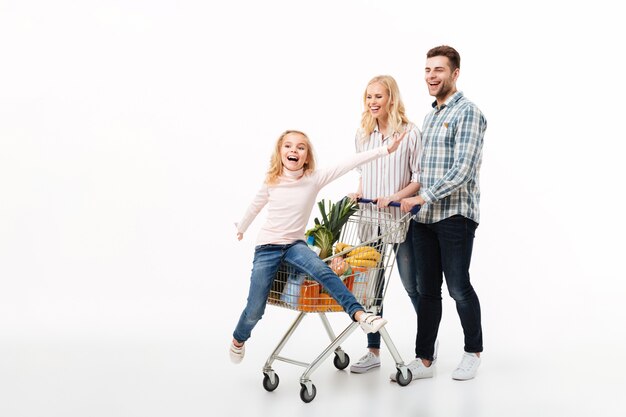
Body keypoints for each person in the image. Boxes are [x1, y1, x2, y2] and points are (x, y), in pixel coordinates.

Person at [230, 129, 406, 364]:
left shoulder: (313, 179)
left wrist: (386, 149)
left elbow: (348, 163)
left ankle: (361, 315)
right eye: (288, 146)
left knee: (323, 271)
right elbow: (255, 206)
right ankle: (238, 339)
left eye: (300, 147)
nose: (294, 150)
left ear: (307, 156)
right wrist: (242, 227)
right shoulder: (272, 181)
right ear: (280, 152)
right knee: (255, 309)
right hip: (268, 247)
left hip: (295, 245)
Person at [397, 45, 487, 381]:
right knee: (427, 290)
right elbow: (423, 168)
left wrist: (423, 197)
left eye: (439, 70)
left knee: (458, 286)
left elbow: (464, 169)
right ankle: (424, 361)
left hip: (455, 216)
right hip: (425, 219)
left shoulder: (469, 112)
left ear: (455, 73)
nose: (431, 76)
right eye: (427, 70)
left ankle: (472, 352)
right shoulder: (430, 115)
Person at [346, 75, 422, 374]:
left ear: (391, 98)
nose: (373, 102)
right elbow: (365, 173)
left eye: (378, 96)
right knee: (370, 290)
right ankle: (373, 351)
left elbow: (417, 179)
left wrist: (394, 196)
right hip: (369, 220)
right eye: (369, 97)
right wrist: (360, 193)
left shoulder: (410, 133)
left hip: (399, 219)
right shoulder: (363, 135)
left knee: (411, 285)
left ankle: (426, 346)